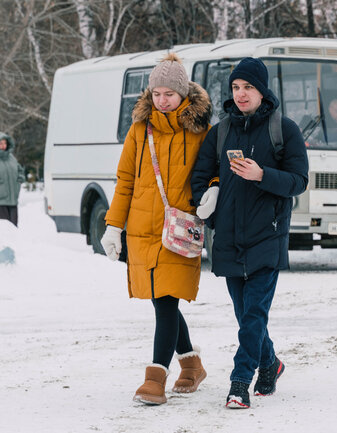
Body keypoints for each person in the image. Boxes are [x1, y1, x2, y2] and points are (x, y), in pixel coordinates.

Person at [191, 57, 309, 409]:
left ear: (262, 90)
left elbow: (299, 181)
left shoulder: (283, 130)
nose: (241, 94)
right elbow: (200, 177)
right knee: (246, 316)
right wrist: (208, 194)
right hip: (227, 237)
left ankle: (239, 382)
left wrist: (262, 175)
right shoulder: (220, 131)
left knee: (254, 314)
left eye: (248, 87)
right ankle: (270, 363)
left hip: (267, 236)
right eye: (236, 88)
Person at [100, 53, 212, 405]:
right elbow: (124, 181)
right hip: (141, 230)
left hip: (178, 232)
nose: (162, 100)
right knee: (160, 301)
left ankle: (155, 378)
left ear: (183, 94)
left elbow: (212, 171)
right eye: (157, 93)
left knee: (166, 302)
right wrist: (113, 226)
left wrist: (214, 189)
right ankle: (192, 366)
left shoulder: (201, 131)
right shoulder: (139, 130)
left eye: (169, 93)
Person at [0, 133, 25, 227]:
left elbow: (20, 171)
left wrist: (19, 180)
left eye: (4, 143)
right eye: (0, 143)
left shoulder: (11, 158)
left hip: (13, 201)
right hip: (1, 203)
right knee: (4, 228)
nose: (3, 146)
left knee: (14, 227)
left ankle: (13, 242)